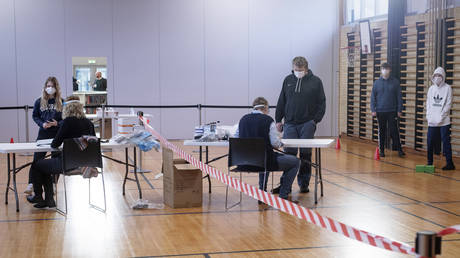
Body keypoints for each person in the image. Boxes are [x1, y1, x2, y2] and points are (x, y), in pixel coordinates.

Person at [27, 95, 96, 208]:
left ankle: (39, 197)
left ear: (67, 109)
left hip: (68, 164)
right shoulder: (89, 123)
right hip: (85, 163)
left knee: (37, 164)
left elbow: (55, 144)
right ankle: (48, 200)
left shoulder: (66, 123)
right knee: (46, 166)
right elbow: (92, 143)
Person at [275, 56, 326, 194]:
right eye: (295, 69)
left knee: (305, 155)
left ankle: (304, 184)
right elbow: (282, 101)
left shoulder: (316, 82)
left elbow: (322, 103)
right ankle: (286, 185)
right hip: (290, 124)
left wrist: (314, 121)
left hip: (307, 124)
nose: (297, 72)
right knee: (289, 155)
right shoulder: (288, 80)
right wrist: (278, 119)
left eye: (300, 70)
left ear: (306, 69)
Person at [235, 97, 300, 202]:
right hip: (264, 162)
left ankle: (262, 192)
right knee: (295, 162)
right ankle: (283, 196)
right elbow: (275, 143)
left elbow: (236, 137)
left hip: (244, 162)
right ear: (265, 108)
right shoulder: (268, 120)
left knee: (262, 156)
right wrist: (280, 142)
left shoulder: (243, 119)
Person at [24, 77, 64, 196]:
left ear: (56, 88)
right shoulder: (39, 101)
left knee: (57, 161)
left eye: (52, 86)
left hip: (57, 135)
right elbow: (35, 116)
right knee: (37, 159)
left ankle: (53, 184)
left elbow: (66, 119)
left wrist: (57, 123)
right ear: (45, 87)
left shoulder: (62, 101)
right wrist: (42, 124)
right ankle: (31, 184)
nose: (49, 88)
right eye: (48, 86)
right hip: (43, 134)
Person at [370, 62, 405, 158]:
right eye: (383, 68)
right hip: (380, 111)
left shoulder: (395, 82)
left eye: (387, 68)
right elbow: (373, 97)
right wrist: (373, 109)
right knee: (382, 131)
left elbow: (399, 97)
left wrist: (399, 109)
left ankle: (399, 150)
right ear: (381, 70)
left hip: (392, 111)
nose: (385, 70)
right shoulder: (376, 83)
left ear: (390, 70)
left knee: (394, 131)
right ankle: (381, 150)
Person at [426, 67, 455, 170]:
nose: (437, 77)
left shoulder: (448, 88)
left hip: (444, 122)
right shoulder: (431, 89)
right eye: (436, 76)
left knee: (446, 142)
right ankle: (429, 162)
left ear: (443, 77)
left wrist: (441, 117)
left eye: (439, 76)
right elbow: (428, 104)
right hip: (432, 122)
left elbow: (448, 105)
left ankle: (450, 163)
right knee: (429, 142)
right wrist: (428, 117)